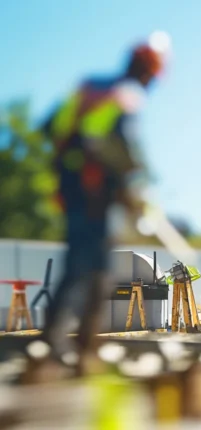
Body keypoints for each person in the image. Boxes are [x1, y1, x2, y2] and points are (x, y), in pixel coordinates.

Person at [32, 31, 172, 377]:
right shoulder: (126, 96)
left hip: (72, 188)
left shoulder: (89, 87)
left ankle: (52, 346)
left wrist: (75, 163)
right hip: (97, 192)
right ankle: (82, 352)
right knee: (96, 269)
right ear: (148, 72)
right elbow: (123, 151)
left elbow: (49, 126)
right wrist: (132, 184)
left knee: (78, 263)